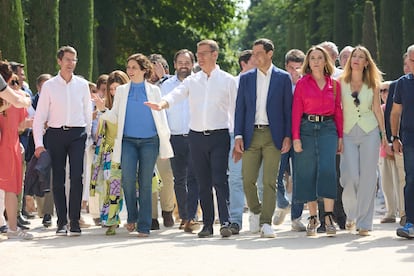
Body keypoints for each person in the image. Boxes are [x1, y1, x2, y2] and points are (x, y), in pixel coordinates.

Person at [145, 39, 237, 238]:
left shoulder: (228, 80)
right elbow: (177, 94)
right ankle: (207, 224)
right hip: (196, 137)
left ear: (215, 55)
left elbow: (235, 111)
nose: (200, 57)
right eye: (199, 53)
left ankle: (226, 221)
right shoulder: (192, 81)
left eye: (204, 53)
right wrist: (162, 104)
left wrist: (238, 137)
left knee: (220, 180)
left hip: (219, 135)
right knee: (202, 182)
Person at [95, 53, 173, 237]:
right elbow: (114, 116)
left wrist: (164, 145)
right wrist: (102, 110)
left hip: (150, 141)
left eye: (133, 68)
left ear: (144, 70)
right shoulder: (122, 91)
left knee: (145, 183)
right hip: (128, 141)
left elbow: (161, 119)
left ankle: (144, 225)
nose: (129, 71)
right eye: (128, 67)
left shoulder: (154, 91)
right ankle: (133, 216)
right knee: (128, 180)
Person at [233, 38, 292, 238]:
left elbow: (288, 110)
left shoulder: (283, 78)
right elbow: (239, 108)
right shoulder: (246, 78)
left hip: (273, 135)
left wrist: (287, 136)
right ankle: (256, 212)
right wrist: (238, 135)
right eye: (253, 53)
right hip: (250, 134)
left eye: (259, 53)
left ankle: (266, 223)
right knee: (247, 179)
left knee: (269, 181)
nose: (255, 57)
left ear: (270, 54)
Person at [33, 46, 92, 236]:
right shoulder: (49, 86)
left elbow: (87, 112)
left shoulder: (82, 85)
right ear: (59, 61)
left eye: (73, 60)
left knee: (76, 177)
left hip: (77, 134)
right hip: (56, 134)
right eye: (67, 59)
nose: (70, 63)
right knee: (58, 178)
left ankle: (74, 220)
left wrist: (89, 135)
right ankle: (61, 222)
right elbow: (40, 116)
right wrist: (38, 144)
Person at [292, 46, 343, 236]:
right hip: (306, 128)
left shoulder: (334, 84)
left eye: (319, 58)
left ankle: (328, 217)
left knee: (328, 170)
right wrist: (295, 137)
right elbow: (296, 111)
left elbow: (338, 111)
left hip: (328, 129)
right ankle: (312, 217)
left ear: (325, 61)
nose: (315, 61)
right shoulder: (302, 83)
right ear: (308, 61)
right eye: (312, 58)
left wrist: (340, 137)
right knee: (307, 172)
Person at [339, 45, 386, 236]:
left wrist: (383, 135)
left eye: (360, 57)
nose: (356, 59)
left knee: (368, 177)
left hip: (370, 132)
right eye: (354, 56)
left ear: (367, 63)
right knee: (350, 176)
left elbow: (376, 109)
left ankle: (364, 223)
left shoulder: (372, 84)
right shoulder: (340, 82)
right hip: (348, 132)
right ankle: (351, 213)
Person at [160, 49, 201, 233]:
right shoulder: (166, 86)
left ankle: (193, 215)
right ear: (175, 64)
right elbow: (162, 113)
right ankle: (184, 216)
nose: (184, 65)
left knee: (195, 178)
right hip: (174, 137)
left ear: (192, 64)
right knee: (179, 180)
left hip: (195, 136)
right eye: (180, 62)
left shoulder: (200, 84)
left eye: (187, 62)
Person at [90, 70, 129, 235]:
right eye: (111, 89)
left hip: (127, 149)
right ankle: (111, 220)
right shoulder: (105, 106)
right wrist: (101, 111)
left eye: (117, 88)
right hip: (109, 152)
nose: (114, 92)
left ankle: (132, 218)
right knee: (110, 188)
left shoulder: (129, 104)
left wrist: (103, 111)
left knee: (130, 186)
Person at [273, 49, 307, 232]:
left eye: (298, 68)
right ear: (286, 66)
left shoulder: (306, 84)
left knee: (299, 177)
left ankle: (296, 217)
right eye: (292, 68)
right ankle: (283, 202)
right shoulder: (279, 83)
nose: (295, 73)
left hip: (301, 137)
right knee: (275, 175)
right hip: (282, 137)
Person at [0, 61, 33, 240]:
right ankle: (12, 228)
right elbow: (20, 125)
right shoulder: (16, 95)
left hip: (7, 143)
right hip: (8, 145)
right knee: (11, 190)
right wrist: (27, 99)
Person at [227, 49, 256, 235]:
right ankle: (235, 220)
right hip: (234, 135)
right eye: (254, 61)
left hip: (258, 134)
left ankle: (259, 217)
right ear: (243, 64)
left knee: (258, 179)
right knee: (236, 178)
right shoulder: (232, 83)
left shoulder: (262, 82)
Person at [148, 53, 175, 230]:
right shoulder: (142, 86)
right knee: (149, 177)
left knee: (166, 176)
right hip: (147, 136)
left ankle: (167, 210)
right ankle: (151, 216)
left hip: (166, 137)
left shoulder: (171, 83)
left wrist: (163, 77)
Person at [384, 53, 410, 227]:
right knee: (405, 178)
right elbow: (391, 114)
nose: (408, 67)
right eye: (407, 63)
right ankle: (405, 214)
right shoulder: (398, 84)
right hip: (405, 140)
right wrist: (392, 139)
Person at [391, 44, 414, 239]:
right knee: (411, 179)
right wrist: (395, 136)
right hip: (410, 138)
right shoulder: (402, 83)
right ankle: (411, 223)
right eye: (411, 61)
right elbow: (396, 112)